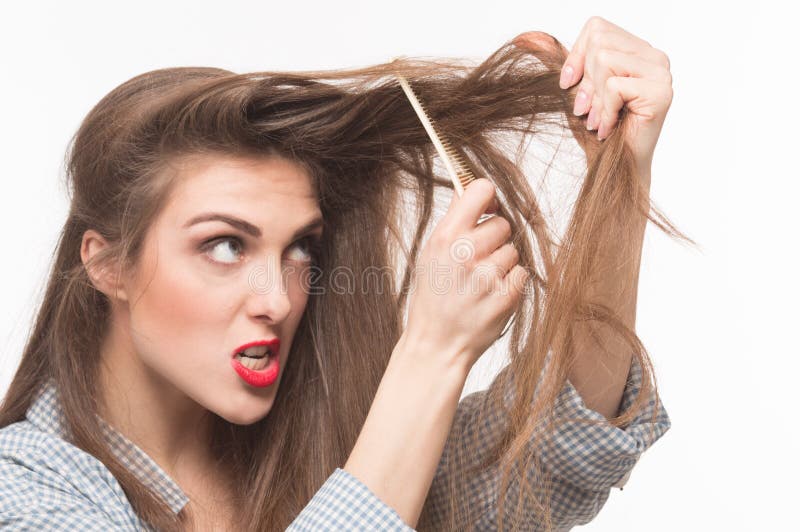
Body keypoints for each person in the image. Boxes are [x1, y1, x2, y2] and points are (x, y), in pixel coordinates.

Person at [0, 17, 684, 531]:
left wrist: (617, 178)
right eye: (225, 246)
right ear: (107, 263)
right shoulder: (26, 490)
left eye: (300, 249)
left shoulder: (329, 441)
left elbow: (564, 451)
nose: (277, 299)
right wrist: (433, 352)